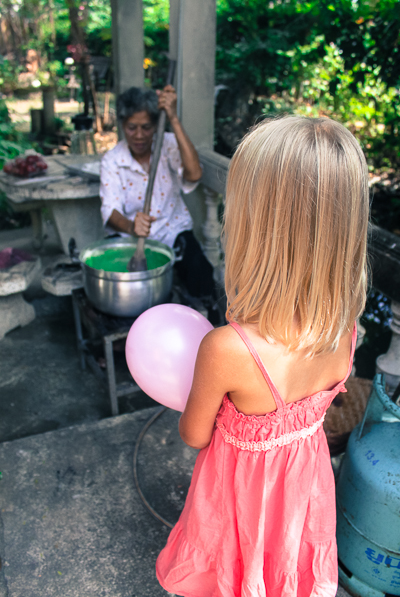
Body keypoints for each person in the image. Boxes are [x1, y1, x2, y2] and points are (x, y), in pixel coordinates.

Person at [156, 116, 369, 596]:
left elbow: (193, 434)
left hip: (237, 506)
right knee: (284, 573)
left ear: (255, 229)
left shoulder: (226, 348)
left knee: (238, 573)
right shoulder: (346, 329)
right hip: (303, 496)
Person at [99, 85, 220, 323]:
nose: (139, 135)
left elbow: (194, 174)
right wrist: (132, 227)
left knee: (201, 272)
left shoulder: (168, 145)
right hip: (131, 237)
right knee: (115, 283)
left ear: (156, 125)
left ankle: (211, 333)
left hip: (172, 230)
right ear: (123, 126)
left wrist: (173, 119)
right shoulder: (113, 160)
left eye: (146, 127)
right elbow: (109, 211)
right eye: (132, 128)